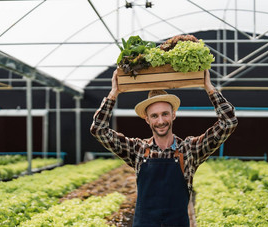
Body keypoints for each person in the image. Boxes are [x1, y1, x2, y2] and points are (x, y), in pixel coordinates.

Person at [90, 69, 238, 227]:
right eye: (154, 116)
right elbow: (98, 129)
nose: (160, 121)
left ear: (173, 115)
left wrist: (209, 87)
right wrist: (113, 94)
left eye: (165, 114)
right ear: (147, 119)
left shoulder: (189, 150)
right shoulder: (138, 150)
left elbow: (229, 122)